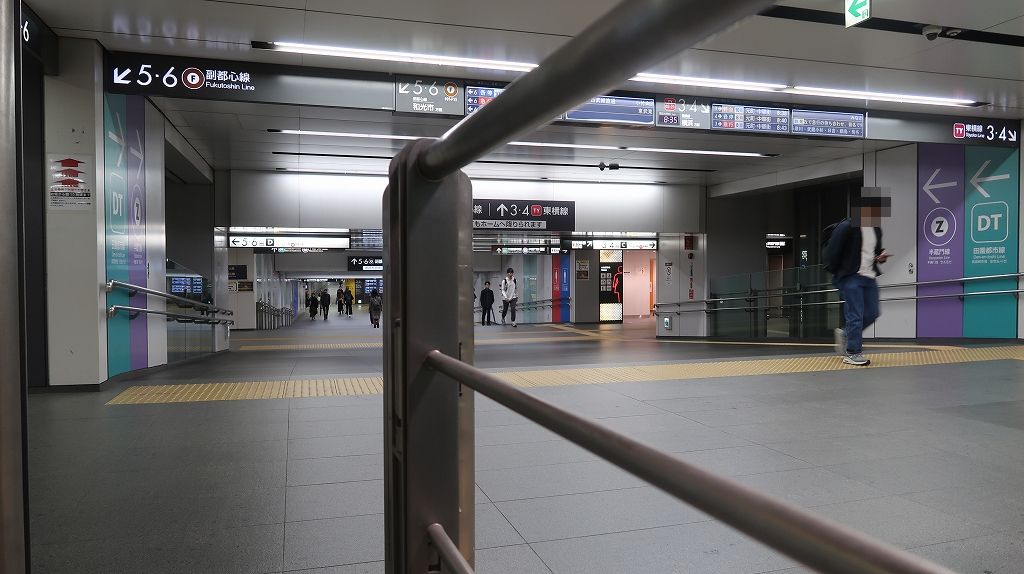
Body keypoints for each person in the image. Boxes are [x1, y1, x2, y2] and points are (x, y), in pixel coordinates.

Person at [825, 195, 889, 366]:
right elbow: (832, 252)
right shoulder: (847, 226)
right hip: (851, 276)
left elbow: (876, 251)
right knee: (856, 314)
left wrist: (881, 256)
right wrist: (839, 274)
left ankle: (846, 334)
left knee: (873, 313)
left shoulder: (876, 229)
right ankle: (852, 352)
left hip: (869, 276)